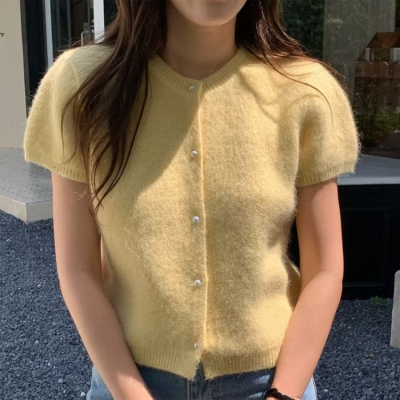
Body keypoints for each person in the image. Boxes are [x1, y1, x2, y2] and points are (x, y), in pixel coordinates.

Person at [23, 0, 360, 399]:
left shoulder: (304, 91)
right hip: (128, 382)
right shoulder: (83, 84)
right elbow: (78, 270)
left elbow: (325, 272)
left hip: (271, 383)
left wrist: (282, 395)